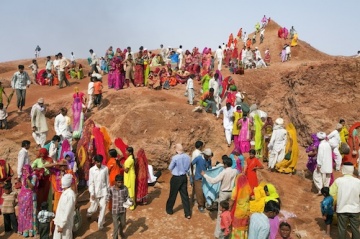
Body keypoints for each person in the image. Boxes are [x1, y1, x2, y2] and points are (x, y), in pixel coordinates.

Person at [201, 156, 237, 238]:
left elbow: (214, 181)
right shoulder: (235, 171)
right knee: (229, 213)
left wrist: (205, 175)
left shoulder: (224, 172)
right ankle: (228, 233)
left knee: (220, 214)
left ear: (225, 164)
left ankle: (218, 234)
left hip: (223, 193)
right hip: (231, 193)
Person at [330, 162, 360, 239]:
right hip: (355, 209)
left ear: (343, 169)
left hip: (342, 209)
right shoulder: (358, 182)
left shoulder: (338, 181)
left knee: (342, 229)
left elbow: (331, 192)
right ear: (352, 170)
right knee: (355, 229)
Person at [166, 143, 191, 219]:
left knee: (173, 194)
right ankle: (187, 213)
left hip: (176, 178)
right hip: (184, 177)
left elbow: (170, 167)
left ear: (176, 150)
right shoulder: (187, 157)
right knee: (185, 195)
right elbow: (188, 167)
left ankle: (169, 210)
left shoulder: (175, 158)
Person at [87, 154, 110, 229]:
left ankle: (100, 224)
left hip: (103, 192)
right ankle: (89, 213)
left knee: (103, 208)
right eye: (98, 162)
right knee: (93, 209)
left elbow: (107, 181)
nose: (99, 163)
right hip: (95, 193)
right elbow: (91, 183)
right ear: (95, 162)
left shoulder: (105, 169)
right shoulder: (92, 170)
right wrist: (92, 193)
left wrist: (108, 192)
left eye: (100, 162)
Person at [53, 174, 76, 239]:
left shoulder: (70, 195)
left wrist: (62, 225)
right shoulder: (65, 193)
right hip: (59, 222)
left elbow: (67, 212)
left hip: (65, 224)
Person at [107, 174, 130, 239]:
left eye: (121, 182)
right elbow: (108, 197)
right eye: (118, 182)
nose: (120, 184)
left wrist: (130, 202)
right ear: (115, 182)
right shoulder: (111, 189)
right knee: (116, 226)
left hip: (122, 210)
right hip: (115, 210)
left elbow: (127, 197)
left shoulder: (125, 188)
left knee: (123, 224)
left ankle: (121, 232)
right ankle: (115, 237)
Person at [229, 174, 252, 238]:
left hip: (238, 211)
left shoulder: (236, 189)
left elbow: (232, 201)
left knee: (237, 229)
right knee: (244, 228)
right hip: (246, 211)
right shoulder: (248, 188)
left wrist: (229, 209)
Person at [18, 165, 37, 238]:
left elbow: (32, 187)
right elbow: (22, 188)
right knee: (24, 214)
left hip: (31, 198)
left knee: (30, 214)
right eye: (23, 170)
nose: (24, 171)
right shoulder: (23, 177)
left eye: (25, 170)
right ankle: (25, 230)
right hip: (23, 199)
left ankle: (31, 231)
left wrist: (28, 179)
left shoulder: (33, 176)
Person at [192, 148, 212, 213]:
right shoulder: (198, 158)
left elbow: (209, 168)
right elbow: (192, 164)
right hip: (198, 177)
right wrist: (192, 174)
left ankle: (206, 203)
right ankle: (200, 206)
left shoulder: (209, 160)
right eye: (208, 156)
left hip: (205, 178)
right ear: (205, 155)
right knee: (199, 192)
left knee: (205, 191)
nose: (209, 157)